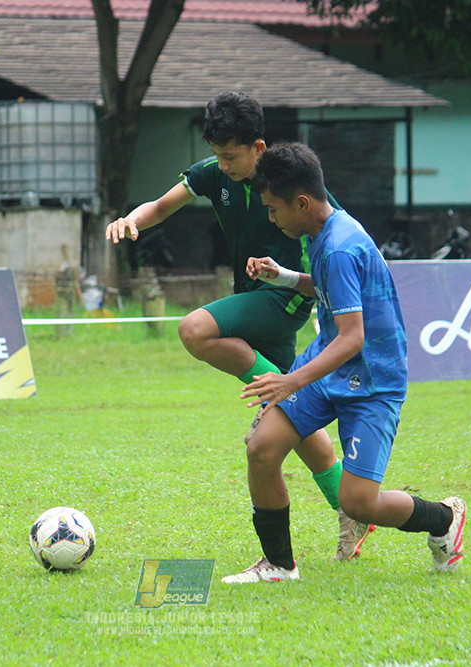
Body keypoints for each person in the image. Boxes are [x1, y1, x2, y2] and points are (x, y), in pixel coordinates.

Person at [105, 91, 370, 561]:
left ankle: (272, 388)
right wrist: (132, 220)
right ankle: (352, 513)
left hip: (285, 297)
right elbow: (163, 206)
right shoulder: (214, 176)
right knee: (302, 426)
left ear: (258, 148)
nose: (222, 165)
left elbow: (334, 228)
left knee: (195, 329)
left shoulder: (289, 180)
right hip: (253, 298)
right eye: (217, 155)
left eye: (231, 156)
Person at [221, 142, 465, 584]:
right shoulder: (324, 231)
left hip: (372, 382)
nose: (271, 219)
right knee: (262, 449)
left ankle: (444, 519)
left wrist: (290, 380)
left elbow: (354, 338)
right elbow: (332, 289)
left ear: (302, 202)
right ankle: (278, 564)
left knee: (358, 504)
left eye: (274, 210)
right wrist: (286, 277)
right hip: (329, 366)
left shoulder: (338, 245)